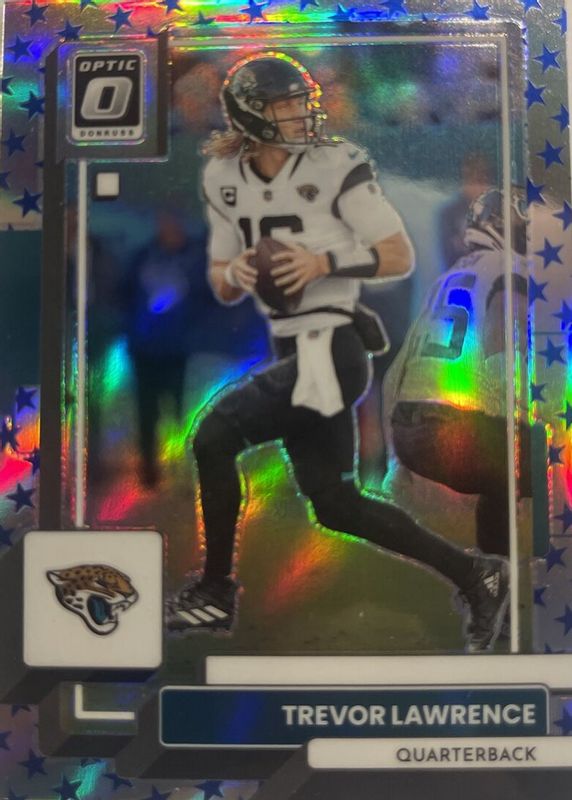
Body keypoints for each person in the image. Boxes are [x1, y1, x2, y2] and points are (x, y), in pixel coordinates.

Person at [166, 52, 509, 652]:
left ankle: (216, 591)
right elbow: (221, 280)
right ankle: (475, 574)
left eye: (304, 102)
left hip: (333, 347)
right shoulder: (224, 176)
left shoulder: (337, 164)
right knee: (336, 504)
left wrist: (323, 262)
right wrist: (238, 270)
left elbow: (396, 254)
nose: (303, 113)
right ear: (254, 113)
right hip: (293, 349)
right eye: (288, 104)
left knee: (213, 437)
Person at [384, 187, 531, 560]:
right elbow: (508, 355)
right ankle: (504, 566)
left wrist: (395, 455)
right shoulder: (510, 270)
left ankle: (495, 570)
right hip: (453, 434)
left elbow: (397, 371)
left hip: (408, 433)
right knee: (541, 457)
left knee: (503, 478)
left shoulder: (447, 277)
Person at [120, 211, 209, 488]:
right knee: (147, 412)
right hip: (146, 349)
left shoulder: (194, 259)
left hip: (179, 350)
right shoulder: (143, 257)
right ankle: (150, 468)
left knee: (183, 411)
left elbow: (205, 299)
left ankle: (183, 466)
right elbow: (124, 294)